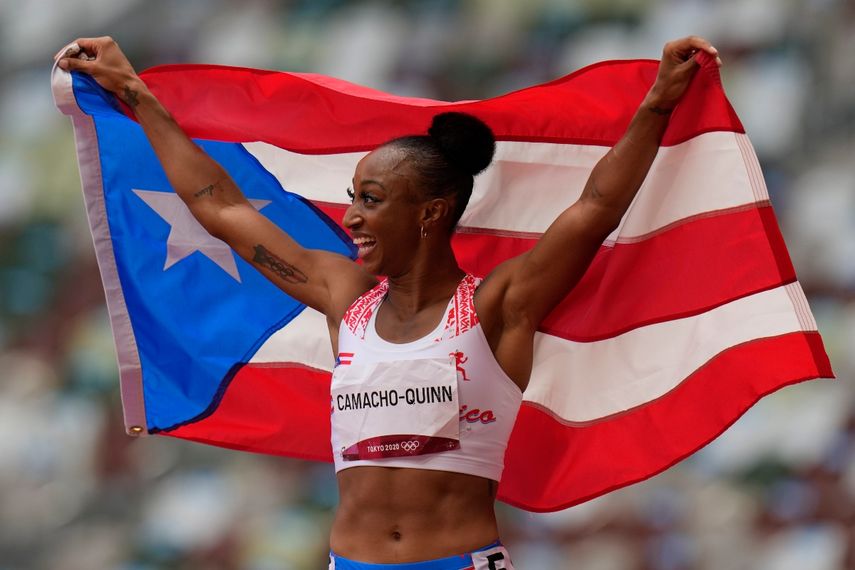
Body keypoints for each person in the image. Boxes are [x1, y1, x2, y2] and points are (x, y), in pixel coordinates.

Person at [57, 35, 721, 569]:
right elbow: (220, 207)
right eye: (352, 197)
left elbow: (595, 209)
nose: (350, 218)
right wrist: (137, 95)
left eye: (370, 200)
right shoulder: (342, 298)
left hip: (458, 562)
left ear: (430, 213)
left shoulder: (498, 306)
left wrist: (656, 106)